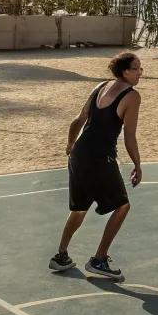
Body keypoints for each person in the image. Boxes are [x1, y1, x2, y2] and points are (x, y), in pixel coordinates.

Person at [49, 51, 143, 282]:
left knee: (79, 208)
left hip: (80, 154)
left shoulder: (99, 87)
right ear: (125, 72)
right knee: (122, 206)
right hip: (100, 158)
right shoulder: (132, 96)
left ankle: (61, 255)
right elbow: (129, 136)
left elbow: (79, 119)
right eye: (137, 68)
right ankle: (99, 258)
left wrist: (70, 146)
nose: (141, 73)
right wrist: (138, 165)